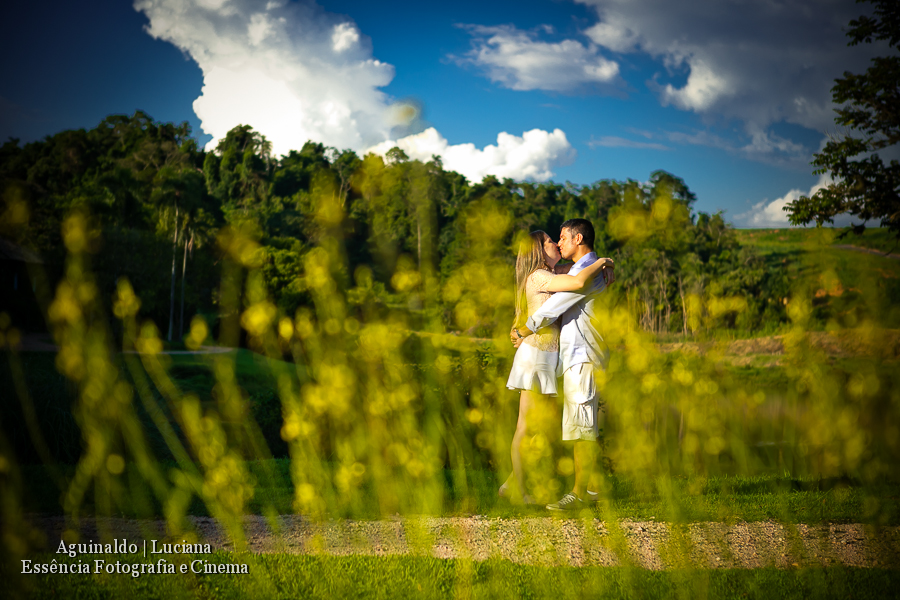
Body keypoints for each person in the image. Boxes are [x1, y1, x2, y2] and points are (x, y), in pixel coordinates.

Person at [500, 230, 613, 504]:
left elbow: (577, 268)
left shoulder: (553, 272)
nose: (556, 243)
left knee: (544, 427)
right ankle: (518, 490)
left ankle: (512, 482)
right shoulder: (540, 276)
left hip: (549, 357)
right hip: (536, 355)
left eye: (559, 238)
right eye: (551, 241)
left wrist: (599, 266)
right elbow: (577, 280)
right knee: (525, 427)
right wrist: (603, 263)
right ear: (539, 250)